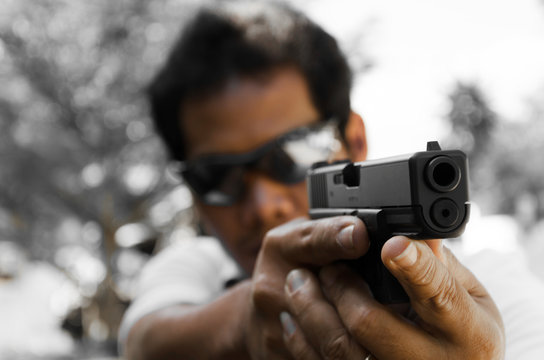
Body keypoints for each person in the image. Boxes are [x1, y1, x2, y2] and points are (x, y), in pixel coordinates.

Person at [119, 1, 544, 359]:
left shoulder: (492, 284)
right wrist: (247, 319)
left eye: (293, 153)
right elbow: (143, 340)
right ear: (191, 191)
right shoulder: (194, 269)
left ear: (354, 141)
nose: (265, 204)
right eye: (215, 175)